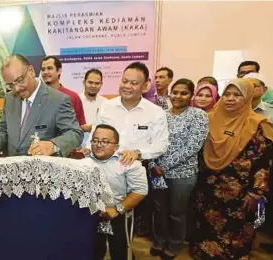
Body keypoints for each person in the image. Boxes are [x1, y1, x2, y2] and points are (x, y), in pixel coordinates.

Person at [193, 78, 273, 260]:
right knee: (205, 224)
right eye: (227, 94)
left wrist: (256, 191)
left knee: (235, 229)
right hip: (207, 187)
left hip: (240, 191)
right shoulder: (209, 118)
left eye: (237, 95)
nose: (230, 99)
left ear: (247, 98)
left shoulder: (258, 124)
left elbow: (264, 162)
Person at [90, 62, 169, 237]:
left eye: (133, 83)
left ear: (145, 86)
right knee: (99, 221)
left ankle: (124, 249)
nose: (127, 86)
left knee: (125, 224)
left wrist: (138, 153)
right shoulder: (107, 107)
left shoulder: (155, 112)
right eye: (124, 81)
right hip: (104, 172)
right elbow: (93, 136)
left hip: (134, 174)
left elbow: (161, 145)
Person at [148, 79, 209, 259]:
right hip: (156, 171)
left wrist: (163, 166)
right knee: (159, 210)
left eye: (184, 93)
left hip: (182, 174)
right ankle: (159, 241)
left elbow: (193, 147)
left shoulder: (198, 115)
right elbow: (150, 141)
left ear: (191, 96)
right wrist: (152, 164)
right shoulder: (161, 115)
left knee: (177, 213)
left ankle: (174, 244)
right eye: (175, 92)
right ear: (170, 93)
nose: (178, 96)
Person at [0, 54, 83, 158]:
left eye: (20, 80)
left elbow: (75, 133)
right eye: (11, 85)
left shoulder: (58, 100)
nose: (16, 88)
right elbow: (4, 129)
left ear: (31, 71)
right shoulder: (10, 98)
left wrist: (53, 145)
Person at [84, 124, 147, 260]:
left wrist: (117, 210)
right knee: (91, 250)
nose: (98, 145)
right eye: (95, 140)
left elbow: (140, 191)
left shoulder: (129, 163)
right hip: (88, 215)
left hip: (119, 214)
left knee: (120, 252)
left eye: (105, 141)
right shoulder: (83, 162)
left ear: (116, 146)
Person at [40, 56, 87, 129]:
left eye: (50, 68)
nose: (45, 72)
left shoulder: (72, 96)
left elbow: (80, 126)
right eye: (43, 69)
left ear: (59, 71)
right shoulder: (36, 95)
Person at [78, 69, 107, 146]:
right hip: (76, 143)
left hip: (99, 145)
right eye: (90, 82)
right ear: (84, 82)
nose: (93, 86)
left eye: (97, 83)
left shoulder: (106, 103)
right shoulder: (75, 99)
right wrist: (81, 128)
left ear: (101, 84)